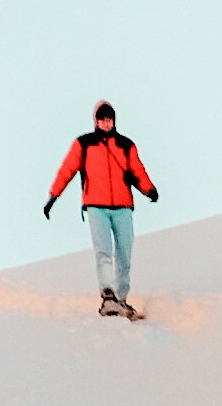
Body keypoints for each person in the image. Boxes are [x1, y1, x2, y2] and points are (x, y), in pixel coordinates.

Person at [47, 99, 158, 317]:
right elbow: (67, 170)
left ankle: (121, 298)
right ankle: (108, 297)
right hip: (96, 206)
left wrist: (149, 189)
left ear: (114, 120)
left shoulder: (126, 145)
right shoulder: (84, 144)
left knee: (125, 254)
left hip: (123, 207)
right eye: (102, 120)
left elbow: (137, 170)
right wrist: (53, 195)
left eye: (109, 120)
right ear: (95, 121)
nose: (106, 124)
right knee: (104, 253)